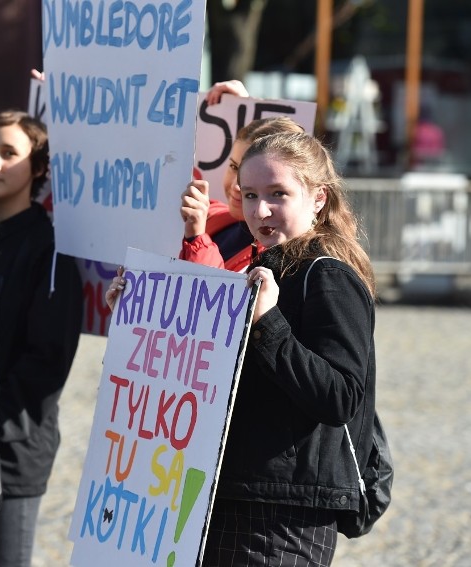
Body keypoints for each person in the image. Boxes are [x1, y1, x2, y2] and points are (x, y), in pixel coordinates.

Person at [108, 131, 377, 565]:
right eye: (249, 195)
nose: (261, 210)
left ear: (318, 199)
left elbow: (340, 396)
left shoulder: (328, 275)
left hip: (284, 510)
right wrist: (138, 316)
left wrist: (267, 322)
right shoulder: (258, 266)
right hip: (235, 493)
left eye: (278, 194)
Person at [0, 110, 83, 567]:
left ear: (38, 168)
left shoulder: (49, 250)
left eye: (8, 153)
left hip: (10, 449)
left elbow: (47, 363)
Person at [180, 105, 305, 271]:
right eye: (233, 167)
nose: (236, 186)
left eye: (255, 176)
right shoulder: (213, 215)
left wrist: (197, 238)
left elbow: (213, 294)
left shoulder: (281, 257)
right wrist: (229, 104)